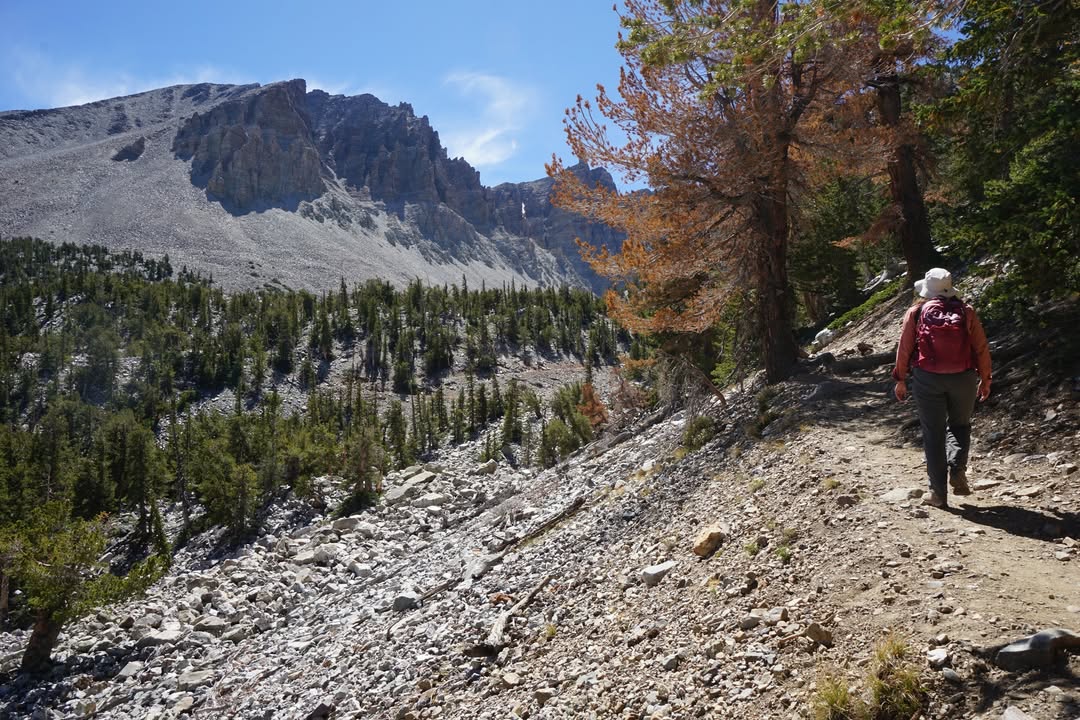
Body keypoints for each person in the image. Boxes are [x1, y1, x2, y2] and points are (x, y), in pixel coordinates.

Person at [893, 268, 992, 509]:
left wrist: (900, 378)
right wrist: (986, 379)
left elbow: (905, 348)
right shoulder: (966, 311)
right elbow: (981, 347)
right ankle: (957, 468)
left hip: (928, 378)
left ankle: (938, 494)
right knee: (960, 425)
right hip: (964, 377)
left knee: (933, 434)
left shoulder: (916, 312)